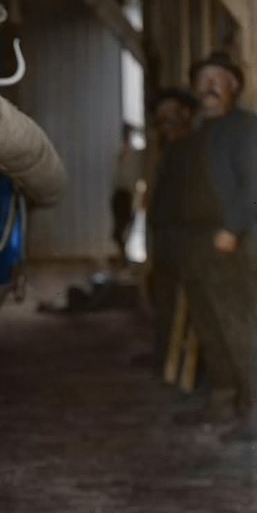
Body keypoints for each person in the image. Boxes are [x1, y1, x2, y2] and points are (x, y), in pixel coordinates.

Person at [177, 53, 257, 428]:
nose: (208, 86)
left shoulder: (248, 128)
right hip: (199, 243)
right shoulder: (199, 134)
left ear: (235, 86)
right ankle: (225, 399)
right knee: (211, 325)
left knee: (241, 326)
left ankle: (256, 410)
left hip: (235, 241)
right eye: (202, 80)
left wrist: (233, 227)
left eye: (218, 79)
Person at [146, 88, 197, 372]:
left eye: (171, 117)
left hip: (184, 240)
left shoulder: (193, 151)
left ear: (186, 115)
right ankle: (165, 356)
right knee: (163, 298)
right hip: (165, 239)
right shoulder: (168, 152)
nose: (165, 124)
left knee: (184, 303)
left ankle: (185, 366)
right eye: (161, 118)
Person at [110, 124, 143, 267]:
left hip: (129, 195)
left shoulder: (136, 154)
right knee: (119, 231)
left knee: (126, 229)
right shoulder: (121, 153)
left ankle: (124, 259)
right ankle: (123, 258)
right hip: (120, 194)